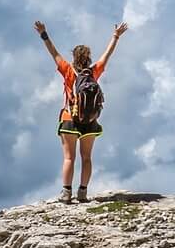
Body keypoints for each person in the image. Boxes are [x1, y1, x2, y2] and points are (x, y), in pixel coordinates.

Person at [35, 19, 127, 203]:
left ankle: (66, 192)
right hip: (90, 121)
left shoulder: (67, 70)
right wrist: (116, 36)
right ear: (88, 58)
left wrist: (43, 34)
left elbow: (53, 52)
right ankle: (83, 192)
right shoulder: (94, 72)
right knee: (87, 158)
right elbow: (107, 55)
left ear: (74, 58)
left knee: (69, 158)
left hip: (70, 118)